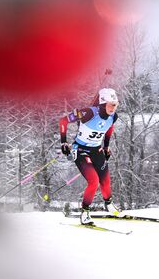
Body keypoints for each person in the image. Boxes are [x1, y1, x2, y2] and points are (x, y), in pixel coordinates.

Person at [59, 88, 121, 225]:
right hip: (80, 150)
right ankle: (85, 212)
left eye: (115, 104)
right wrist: (63, 142)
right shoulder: (88, 113)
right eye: (111, 104)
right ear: (103, 103)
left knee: (105, 179)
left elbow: (109, 127)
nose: (113, 108)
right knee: (94, 181)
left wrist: (106, 146)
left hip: (96, 149)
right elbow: (63, 121)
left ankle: (109, 204)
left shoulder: (113, 116)